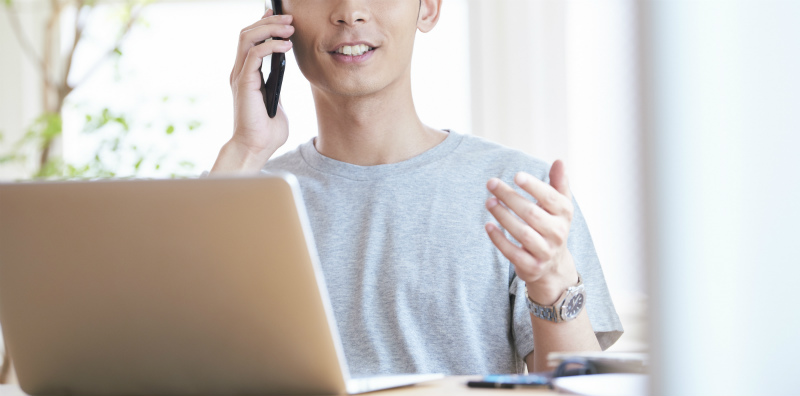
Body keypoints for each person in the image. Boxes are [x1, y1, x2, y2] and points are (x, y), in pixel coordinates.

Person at [208, 0, 622, 376]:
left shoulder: (524, 196)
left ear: (428, 9)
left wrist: (552, 283)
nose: (350, 12)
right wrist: (245, 149)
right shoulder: (243, 198)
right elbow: (180, 364)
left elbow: (580, 388)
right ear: (278, 19)